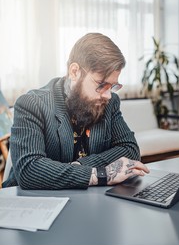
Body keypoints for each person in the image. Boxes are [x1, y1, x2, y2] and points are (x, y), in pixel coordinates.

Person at [3, 33, 149, 189]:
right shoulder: (31, 104)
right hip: (31, 201)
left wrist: (79, 166)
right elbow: (30, 171)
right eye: (101, 85)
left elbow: (130, 150)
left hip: (86, 198)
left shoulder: (110, 102)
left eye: (112, 86)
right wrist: (100, 174)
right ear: (74, 72)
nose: (108, 95)